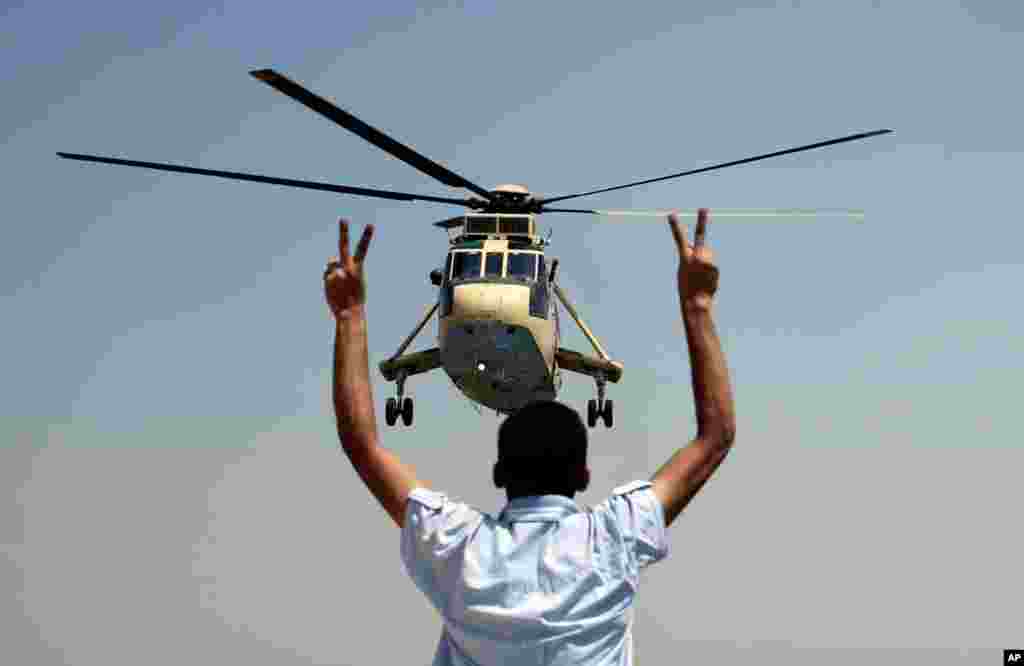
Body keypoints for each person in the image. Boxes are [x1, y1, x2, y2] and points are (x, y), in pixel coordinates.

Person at [324, 209, 736, 665]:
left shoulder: (459, 546)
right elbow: (716, 436)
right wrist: (697, 304)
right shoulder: (613, 538)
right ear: (583, 475)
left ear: (499, 473)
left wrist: (350, 315)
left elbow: (361, 444)